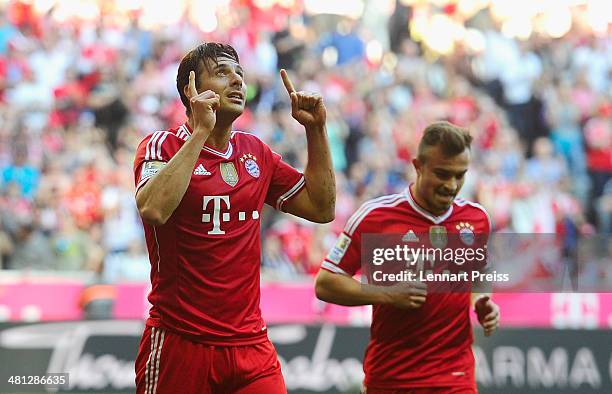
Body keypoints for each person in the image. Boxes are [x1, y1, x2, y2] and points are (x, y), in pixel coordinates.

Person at [132, 42, 335, 394]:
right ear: (190, 88)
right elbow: (153, 209)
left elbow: (321, 208)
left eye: (239, 74)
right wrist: (199, 134)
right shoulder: (161, 145)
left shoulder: (255, 152)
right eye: (223, 73)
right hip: (181, 342)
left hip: (250, 346)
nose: (237, 81)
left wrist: (316, 130)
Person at [315, 121, 500, 393]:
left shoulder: (476, 219)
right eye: (442, 174)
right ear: (418, 166)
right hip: (393, 379)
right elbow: (326, 283)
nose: (452, 185)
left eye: (460, 175)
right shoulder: (375, 217)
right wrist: (388, 293)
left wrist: (483, 300)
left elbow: (479, 272)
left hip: (455, 378)